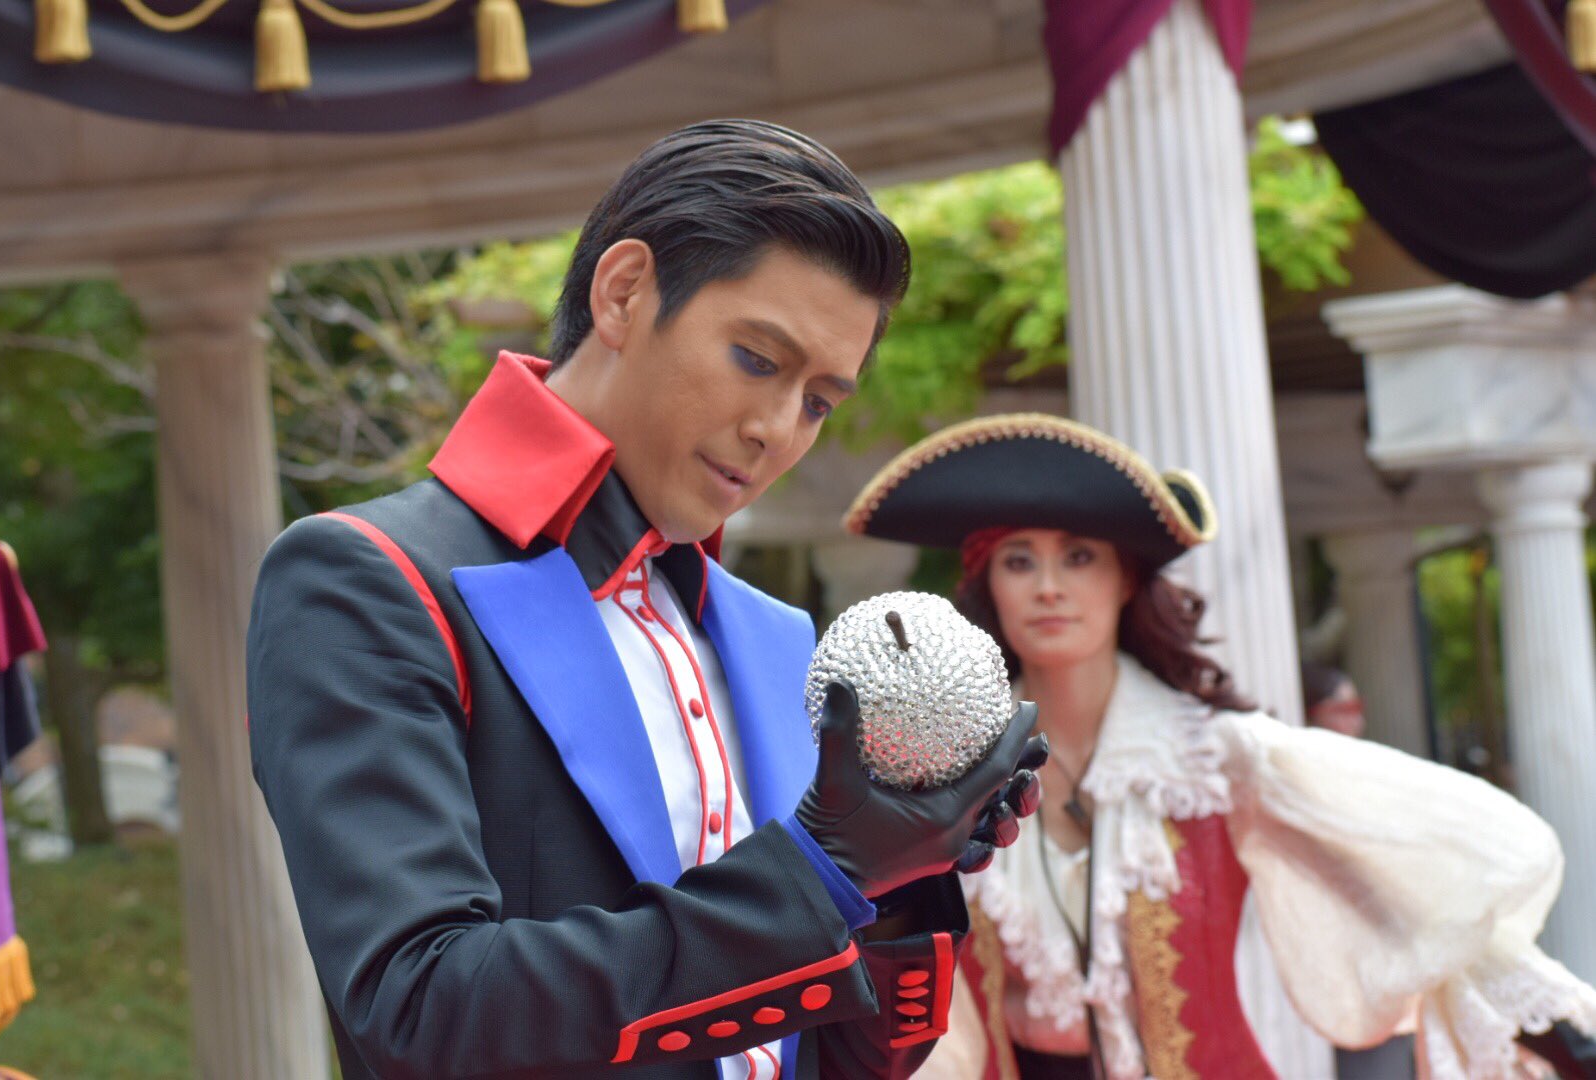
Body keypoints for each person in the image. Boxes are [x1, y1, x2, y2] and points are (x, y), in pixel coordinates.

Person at [246, 120, 1042, 1080]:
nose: (777, 430)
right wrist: (824, 871)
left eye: (819, 402)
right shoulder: (367, 578)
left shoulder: (775, 635)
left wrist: (902, 876)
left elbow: (825, 1062)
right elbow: (419, 1010)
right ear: (623, 292)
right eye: (758, 359)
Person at [844, 412, 1596, 1079]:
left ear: (1125, 580)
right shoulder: (947, 768)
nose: (1048, 587)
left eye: (1079, 557)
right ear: (989, 585)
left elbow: (1420, 892)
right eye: (1019, 561)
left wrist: (1558, 1029)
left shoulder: (1213, 758)